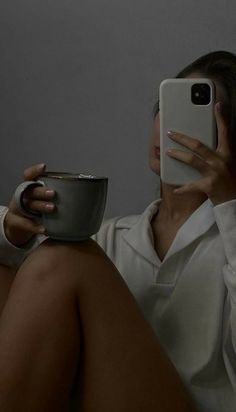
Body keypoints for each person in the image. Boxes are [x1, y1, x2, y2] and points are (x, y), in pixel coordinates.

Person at [0, 50, 236, 412]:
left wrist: (229, 203)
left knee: (65, 259)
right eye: (165, 107)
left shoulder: (229, 243)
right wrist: (13, 229)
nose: (168, 128)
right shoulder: (113, 237)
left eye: (195, 116)